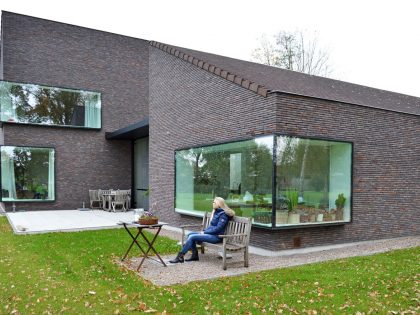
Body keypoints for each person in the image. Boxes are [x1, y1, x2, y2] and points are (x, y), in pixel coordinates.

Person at [169, 197, 235, 263]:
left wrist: (205, 232)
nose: (212, 203)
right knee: (190, 234)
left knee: (192, 237)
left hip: (217, 237)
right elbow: (212, 226)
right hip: (211, 234)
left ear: (219, 204)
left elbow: (218, 228)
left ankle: (180, 257)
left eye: (214, 202)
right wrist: (205, 232)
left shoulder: (223, 215)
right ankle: (194, 255)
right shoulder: (216, 212)